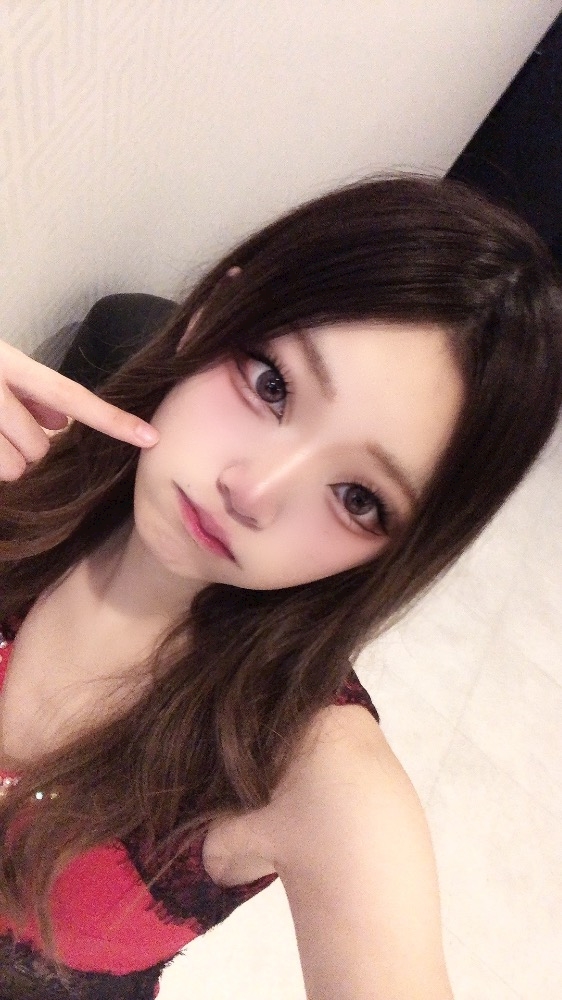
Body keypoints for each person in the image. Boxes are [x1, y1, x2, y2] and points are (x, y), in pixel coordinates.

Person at [0, 175, 560, 1000]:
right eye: (272, 385)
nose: (253, 492)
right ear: (212, 313)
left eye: (359, 497)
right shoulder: (28, 477)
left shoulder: (310, 771)